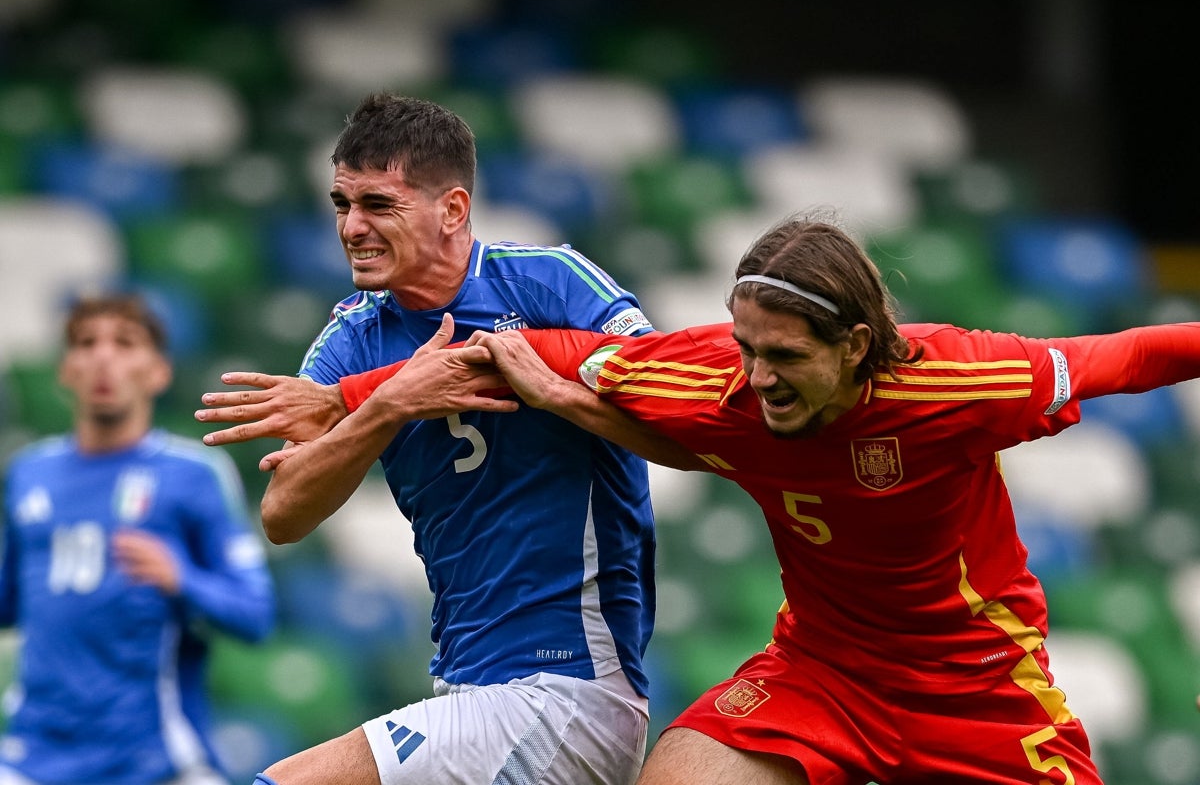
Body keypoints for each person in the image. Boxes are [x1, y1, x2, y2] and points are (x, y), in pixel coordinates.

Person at [203, 212, 1200, 784]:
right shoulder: (712, 378)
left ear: (857, 349)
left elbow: (1137, 354)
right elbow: (522, 350)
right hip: (821, 674)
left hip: (973, 693)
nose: (758, 378)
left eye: (787, 358)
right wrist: (342, 394)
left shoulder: (958, 380)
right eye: (747, 347)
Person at [198, 92, 673, 785]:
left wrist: (529, 380)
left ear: (452, 209)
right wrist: (386, 406)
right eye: (341, 204)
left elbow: (666, 384)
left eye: (379, 206)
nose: (352, 227)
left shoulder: (548, 281)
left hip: (568, 685)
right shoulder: (351, 340)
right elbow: (284, 514)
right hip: (468, 685)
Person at [0, 293, 276, 785]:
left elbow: (254, 614)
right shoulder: (28, 473)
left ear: (159, 372)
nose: (104, 357)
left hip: (153, 758)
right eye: (86, 343)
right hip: (35, 755)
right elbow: (7, 604)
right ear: (66, 370)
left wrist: (181, 579)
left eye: (125, 343)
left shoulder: (193, 474)